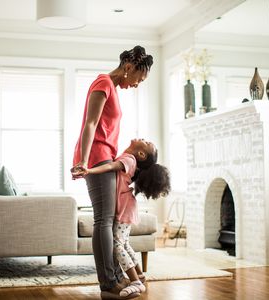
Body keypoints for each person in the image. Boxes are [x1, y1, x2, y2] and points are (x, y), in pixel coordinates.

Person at [71, 46, 153, 299]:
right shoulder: (103, 82)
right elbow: (90, 124)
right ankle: (108, 281)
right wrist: (84, 161)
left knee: (107, 221)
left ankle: (114, 277)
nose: (137, 84)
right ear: (129, 68)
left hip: (103, 156)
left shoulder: (112, 88)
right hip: (96, 157)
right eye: (138, 79)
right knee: (104, 221)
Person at [72, 138, 171, 298]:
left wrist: (89, 171)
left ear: (141, 154)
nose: (143, 139)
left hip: (124, 207)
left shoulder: (129, 159)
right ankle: (139, 274)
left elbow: (111, 166)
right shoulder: (131, 160)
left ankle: (134, 281)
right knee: (124, 242)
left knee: (117, 244)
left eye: (147, 143)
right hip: (128, 206)